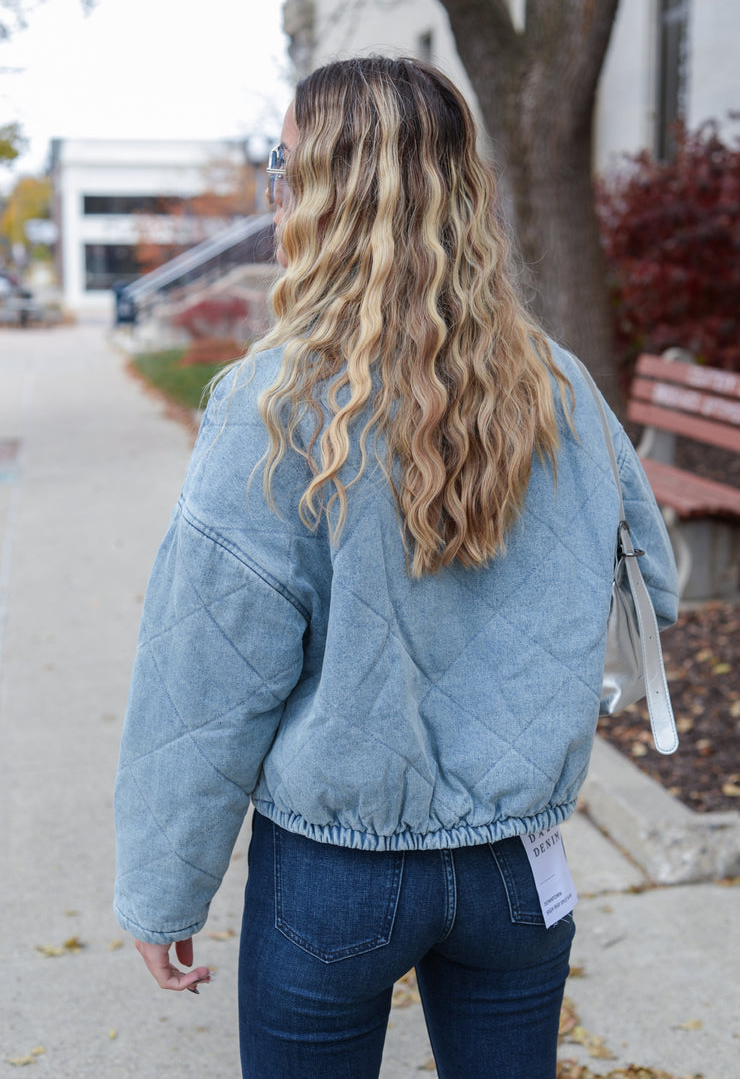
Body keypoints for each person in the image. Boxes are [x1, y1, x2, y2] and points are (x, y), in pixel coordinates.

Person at [114, 56, 678, 1079]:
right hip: (515, 865)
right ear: (463, 185)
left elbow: (202, 679)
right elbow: (655, 584)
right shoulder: (556, 382)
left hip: (335, 869)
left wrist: (164, 888)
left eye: (281, 163)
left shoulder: (271, 405)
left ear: (316, 188)